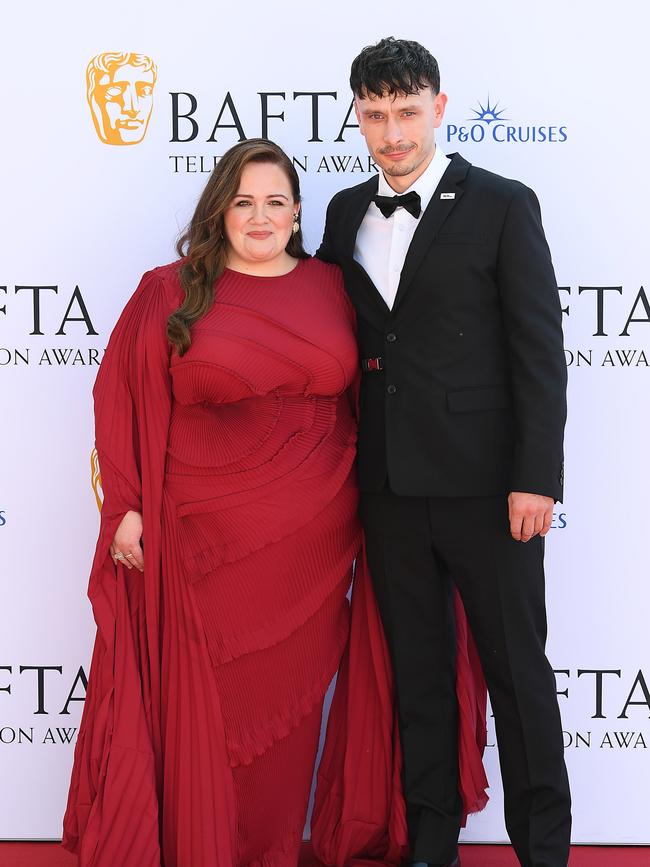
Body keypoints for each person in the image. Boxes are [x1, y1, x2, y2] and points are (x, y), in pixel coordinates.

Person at [61, 138, 487, 867]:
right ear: (220, 211)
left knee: (285, 721)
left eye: (275, 203)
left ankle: (268, 853)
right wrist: (125, 506)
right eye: (243, 202)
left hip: (314, 547)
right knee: (206, 713)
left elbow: (383, 391)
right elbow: (122, 400)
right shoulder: (168, 290)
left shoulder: (334, 286)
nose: (259, 217)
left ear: (297, 215)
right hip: (199, 545)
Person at [317, 37, 572, 867]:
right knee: (418, 674)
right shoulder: (342, 210)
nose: (392, 133)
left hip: (488, 486)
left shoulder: (502, 202)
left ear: (439, 106)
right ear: (357, 113)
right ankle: (431, 839)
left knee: (517, 676)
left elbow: (537, 350)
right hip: (388, 487)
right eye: (376, 114)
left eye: (407, 112)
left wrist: (535, 476)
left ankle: (543, 848)